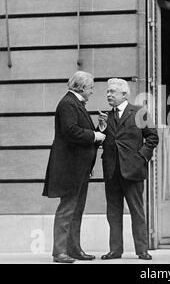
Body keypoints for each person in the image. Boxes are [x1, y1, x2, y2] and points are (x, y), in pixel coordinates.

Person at [42, 71, 106, 263]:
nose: (93, 91)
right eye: (91, 88)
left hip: (78, 167)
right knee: (68, 209)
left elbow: (77, 132)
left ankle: (73, 249)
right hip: (70, 168)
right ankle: (59, 252)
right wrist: (95, 136)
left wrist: (98, 129)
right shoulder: (68, 104)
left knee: (76, 209)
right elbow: (71, 132)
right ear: (83, 87)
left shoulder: (73, 103)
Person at [98, 78, 159, 260]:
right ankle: (115, 250)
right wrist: (101, 128)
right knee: (113, 213)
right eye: (108, 92)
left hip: (133, 171)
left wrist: (141, 157)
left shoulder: (139, 112)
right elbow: (101, 139)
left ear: (124, 94)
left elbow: (152, 137)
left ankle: (142, 250)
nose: (108, 94)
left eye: (112, 92)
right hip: (112, 171)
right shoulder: (106, 117)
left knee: (137, 211)